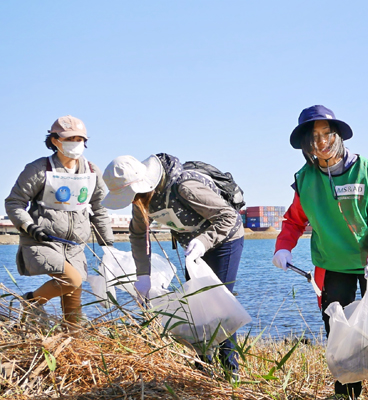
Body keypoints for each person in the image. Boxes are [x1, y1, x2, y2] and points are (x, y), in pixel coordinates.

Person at [272, 105, 368, 400]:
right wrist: (283, 247)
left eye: (327, 134)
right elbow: (294, 220)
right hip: (332, 264)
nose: (321, 142)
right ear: (306, 145)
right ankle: (345, 390)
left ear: (338, 135)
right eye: (313, 137)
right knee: (338, 329)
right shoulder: (305, 178)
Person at [101, 153, 244, 377]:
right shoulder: (140, 201)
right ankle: (203, 368)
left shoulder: (185, 187)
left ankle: (230, 370)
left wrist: (203, 241)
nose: (130, 199)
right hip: (193, 249)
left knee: (219, 302)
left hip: (225, 240)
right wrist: (143, 276)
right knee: (195, 304)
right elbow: (138, 236)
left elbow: (229, 217)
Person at [5, 115, 115, 326]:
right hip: (42, 240)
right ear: (54, 140)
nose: (75, 143)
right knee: (71, 279)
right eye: (69, 138)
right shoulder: (38, 169)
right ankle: (30, 302)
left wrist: (107, 243)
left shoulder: (92, 171)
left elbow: (99, 208)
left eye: (79, 138)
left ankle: (73, 343)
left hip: (75, 246)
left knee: (74, 307)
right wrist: (29, 227)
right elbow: (14, 203)